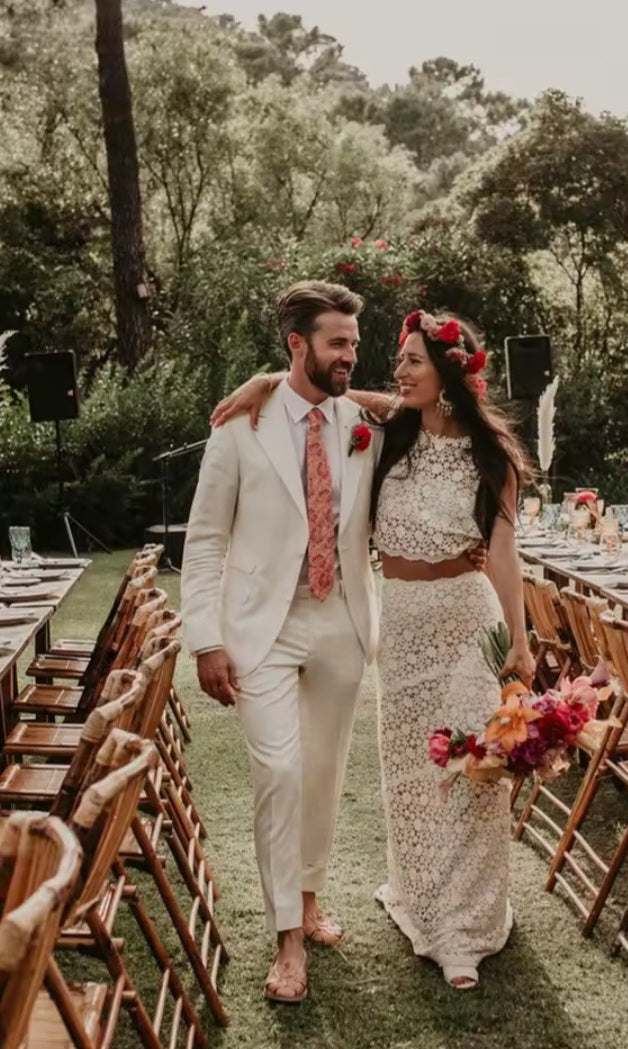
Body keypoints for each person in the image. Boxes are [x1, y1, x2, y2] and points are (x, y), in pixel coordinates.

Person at [214, 307, 534, 991]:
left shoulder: (491, 456)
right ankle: (424, 903)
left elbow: (505, 552)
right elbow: (320, 387)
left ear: (448, 372)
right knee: (414, 779)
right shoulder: (389, 432)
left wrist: (522, 639)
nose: (399, 370)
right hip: (401, 625)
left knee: (473, 771)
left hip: (467, 622)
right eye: (400, 361)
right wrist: (264, 381)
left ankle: (465, 930)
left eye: (414, 360)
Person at [180, 280, 382, 1004]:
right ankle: (286, 938)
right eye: (337, 343)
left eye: (354, 344)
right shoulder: (240, 429)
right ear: (298, 344)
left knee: (323, 771)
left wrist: (269, 379)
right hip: (259, 625)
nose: (350, 357)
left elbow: (440, 406)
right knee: (281, 772)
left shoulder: (366, 423)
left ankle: (311, 895)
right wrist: (204, 638)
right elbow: (204, 542)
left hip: (342, 618)